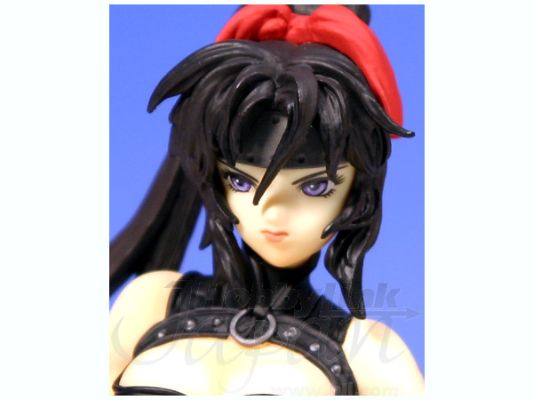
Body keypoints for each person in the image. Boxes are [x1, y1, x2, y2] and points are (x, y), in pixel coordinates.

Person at [109, 4, 424, 395]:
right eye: (240, 181)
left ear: (356, 194)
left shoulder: (370, 354)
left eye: (314, 188)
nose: (271, 211)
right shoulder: (153, 301)